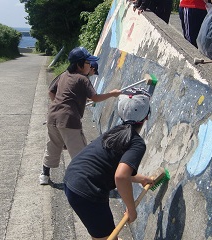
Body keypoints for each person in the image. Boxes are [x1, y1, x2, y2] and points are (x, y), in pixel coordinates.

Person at [64, 88, 155, 239]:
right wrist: (131, 209)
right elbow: (120, 177)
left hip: (72, 178)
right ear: (146, 117)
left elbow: (110, 167)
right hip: (88, 190)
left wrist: (140, 179)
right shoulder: (136, 143)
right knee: (106, 237)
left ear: (121, 113)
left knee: (104, 235)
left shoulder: (115, 131)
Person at [39, 47, 121, 185]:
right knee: (80, 153)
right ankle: (82, 182)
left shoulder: (64, 75)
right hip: (69, 120)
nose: (90, 66)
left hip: (52, 117)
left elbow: (51, 92)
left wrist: (61, 105)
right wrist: (112, 94)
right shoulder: (82, 79)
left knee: (53, 146)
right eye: (88, 63)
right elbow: (95, 97)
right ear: (79, 64)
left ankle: (44, 175)